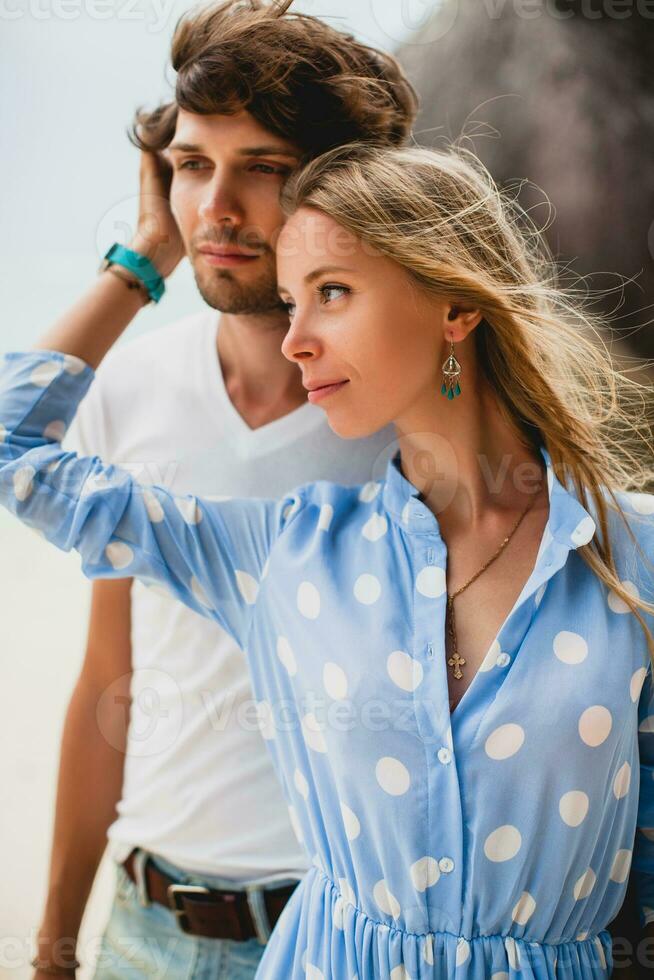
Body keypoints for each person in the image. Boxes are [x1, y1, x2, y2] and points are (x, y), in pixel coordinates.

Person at [2, 140, 654, 979]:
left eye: (331, 294)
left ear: (454, 306)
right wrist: (143, 258)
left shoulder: (629, 554)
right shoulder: (283, 552)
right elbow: (17, 452)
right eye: (286, 301)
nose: (294, 341)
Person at [26, 1, 418, 978]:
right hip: (144, 928)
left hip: (342, 933)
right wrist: (54, 946)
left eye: (265, 170)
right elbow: (108, 681)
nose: (217, 208)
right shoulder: (131, 387)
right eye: (194, 165)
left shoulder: (413, 424)